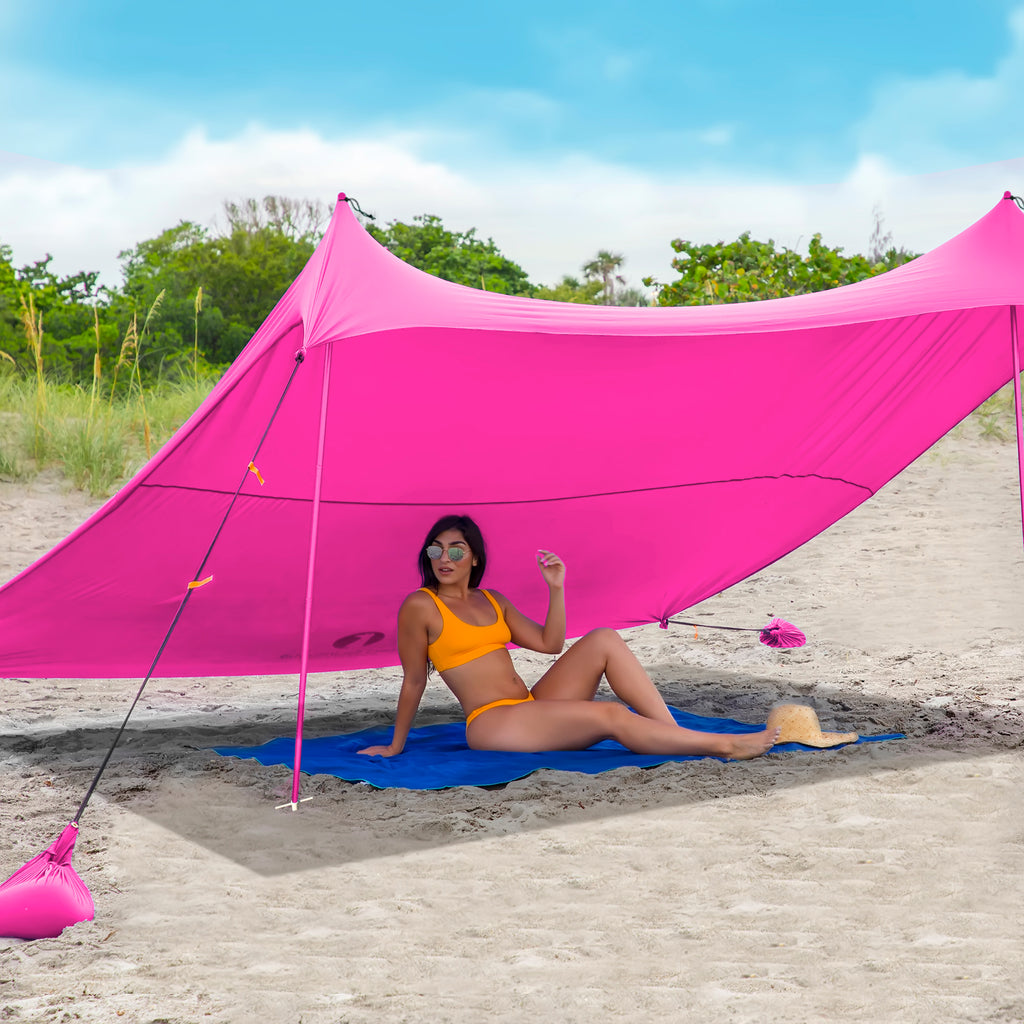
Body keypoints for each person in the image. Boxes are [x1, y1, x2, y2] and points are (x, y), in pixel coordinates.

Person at [358, 514, 779, 760]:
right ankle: (722, 745)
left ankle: (673, 734)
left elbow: (550, 644)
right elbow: (414, 679)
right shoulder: (420, 606)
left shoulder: (492, 599)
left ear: (474, 558)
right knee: (611, 717)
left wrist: (555, 588)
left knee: (602, 639)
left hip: (528, 706)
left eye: (455, 550)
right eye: (436, 549)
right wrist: (396, 746)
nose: (443, 559)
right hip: (490, 723)